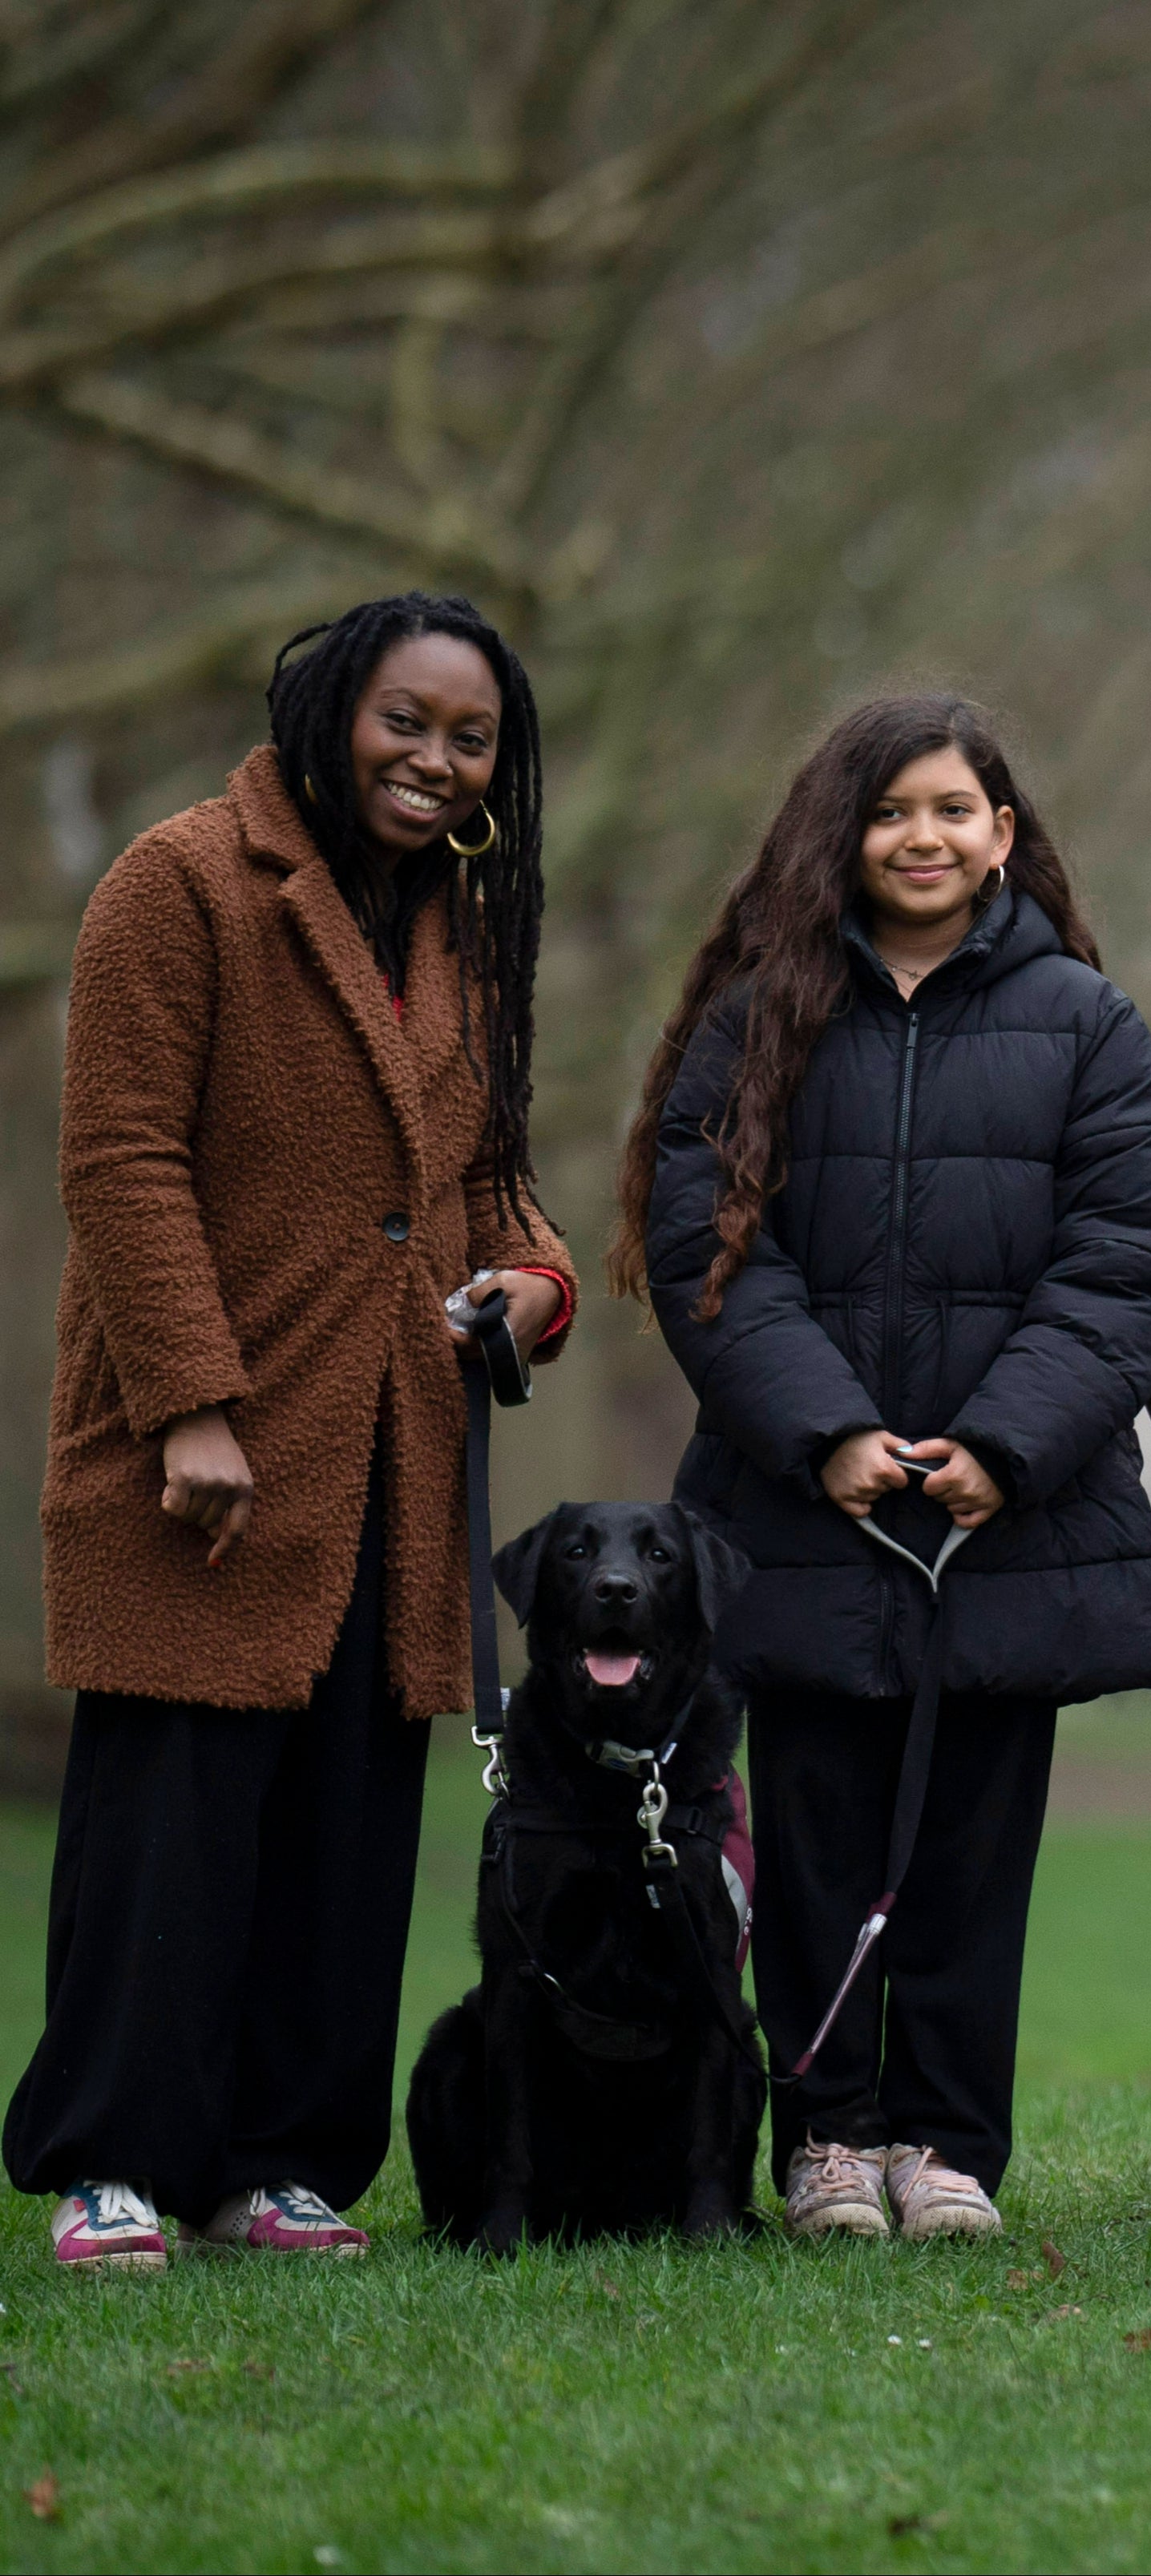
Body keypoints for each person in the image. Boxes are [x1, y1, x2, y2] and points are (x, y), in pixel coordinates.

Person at [9, 596, 573, 2270]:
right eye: (408, 719)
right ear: (332, 707)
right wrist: (191, 1400)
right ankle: (111, 2156)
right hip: (205, 1450)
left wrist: (532, 1279)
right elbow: (119, 1155)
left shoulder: (466, 931)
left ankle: (283, 2160)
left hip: (394, 1448)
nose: (436, 759)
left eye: (471, 737)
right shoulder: (179, 880)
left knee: (342, 1822)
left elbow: (482, 1177)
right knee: (169, 1827)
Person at [624, 695, 1151, 2242]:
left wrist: (1005, 1443)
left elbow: (1128, 1263)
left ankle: (945, 2145)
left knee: (973, 1847)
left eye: (955, 809)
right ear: (840, 834)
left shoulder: (1085, 1019)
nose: (923, 837)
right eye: (890, 811)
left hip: (1008, 1519)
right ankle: (826, 2138)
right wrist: (831, 1436)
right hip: (803, 1513)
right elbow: (706, 1251)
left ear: (1005, 835)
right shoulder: (757, 1019)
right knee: (809, 1840)